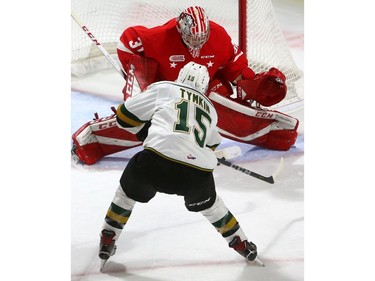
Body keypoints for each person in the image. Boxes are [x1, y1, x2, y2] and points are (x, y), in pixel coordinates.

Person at [72, 6, 299, 165]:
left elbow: (234, 67)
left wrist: (250, 82)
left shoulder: (219, 36)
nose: (197, 45)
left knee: (216, 107)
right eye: (192, 39)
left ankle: (275, 131)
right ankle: (95, 141)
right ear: (181, 29)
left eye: (203, 38)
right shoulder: (159, 37)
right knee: (147, 116)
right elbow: (127, 41)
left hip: (206, 89)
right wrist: (142, 79)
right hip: (167, 90)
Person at [98, 62, 263, 271]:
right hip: (196, 175)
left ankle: (108, 238)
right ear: (204, 86)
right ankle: (242, 243)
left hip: (154, 163)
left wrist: (144, 129)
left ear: (180, 76)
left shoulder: (165, 88)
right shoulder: (210, 109)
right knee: (213, 208)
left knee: (126, 196)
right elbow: (211, 144)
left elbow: (123, 117)